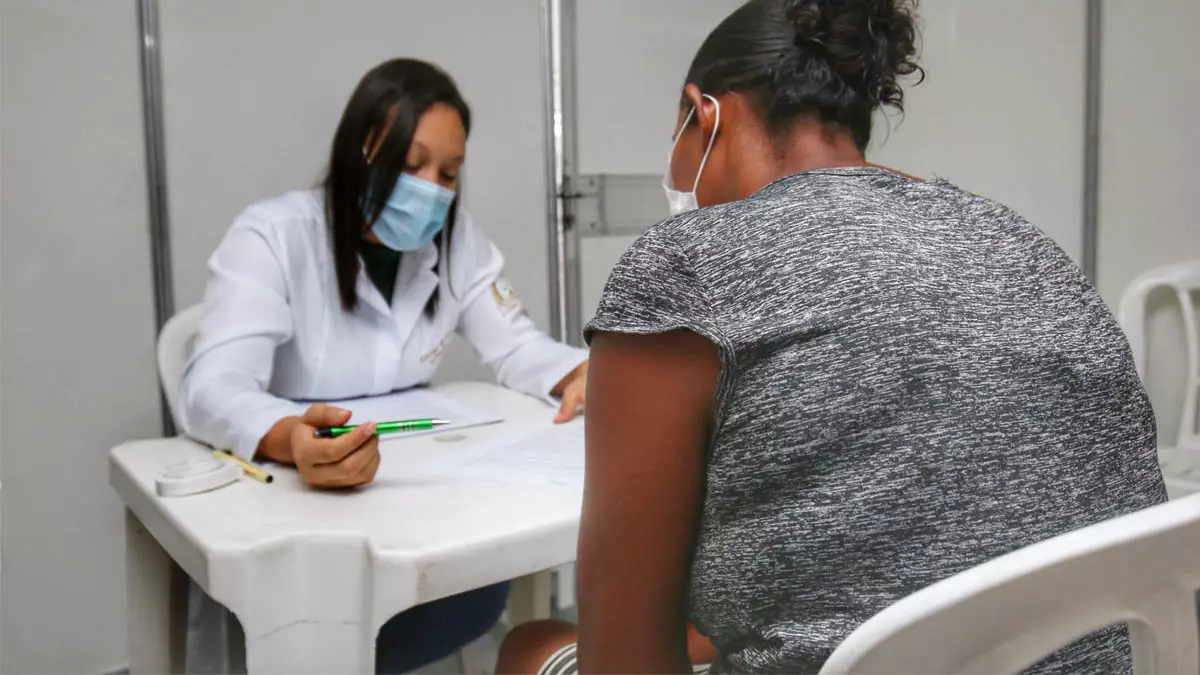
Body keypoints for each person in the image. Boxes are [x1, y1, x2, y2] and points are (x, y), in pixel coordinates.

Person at [497, 0, 1166, 673]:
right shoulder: (1023, 245)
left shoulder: (687, 269)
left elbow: (625, 659)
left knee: (532, 645)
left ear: (703, 115)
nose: (675, 180)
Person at [178, 59, 589, 673]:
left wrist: (576, 372)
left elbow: (514, 344)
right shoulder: (273, 236)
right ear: (361, 149)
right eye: (412, 163)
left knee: (472, 588)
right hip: (297, 510)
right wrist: (291, 439)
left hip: (411, 498)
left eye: (449, 173)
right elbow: (212, 386)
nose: (433, 190)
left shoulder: (456, 240)